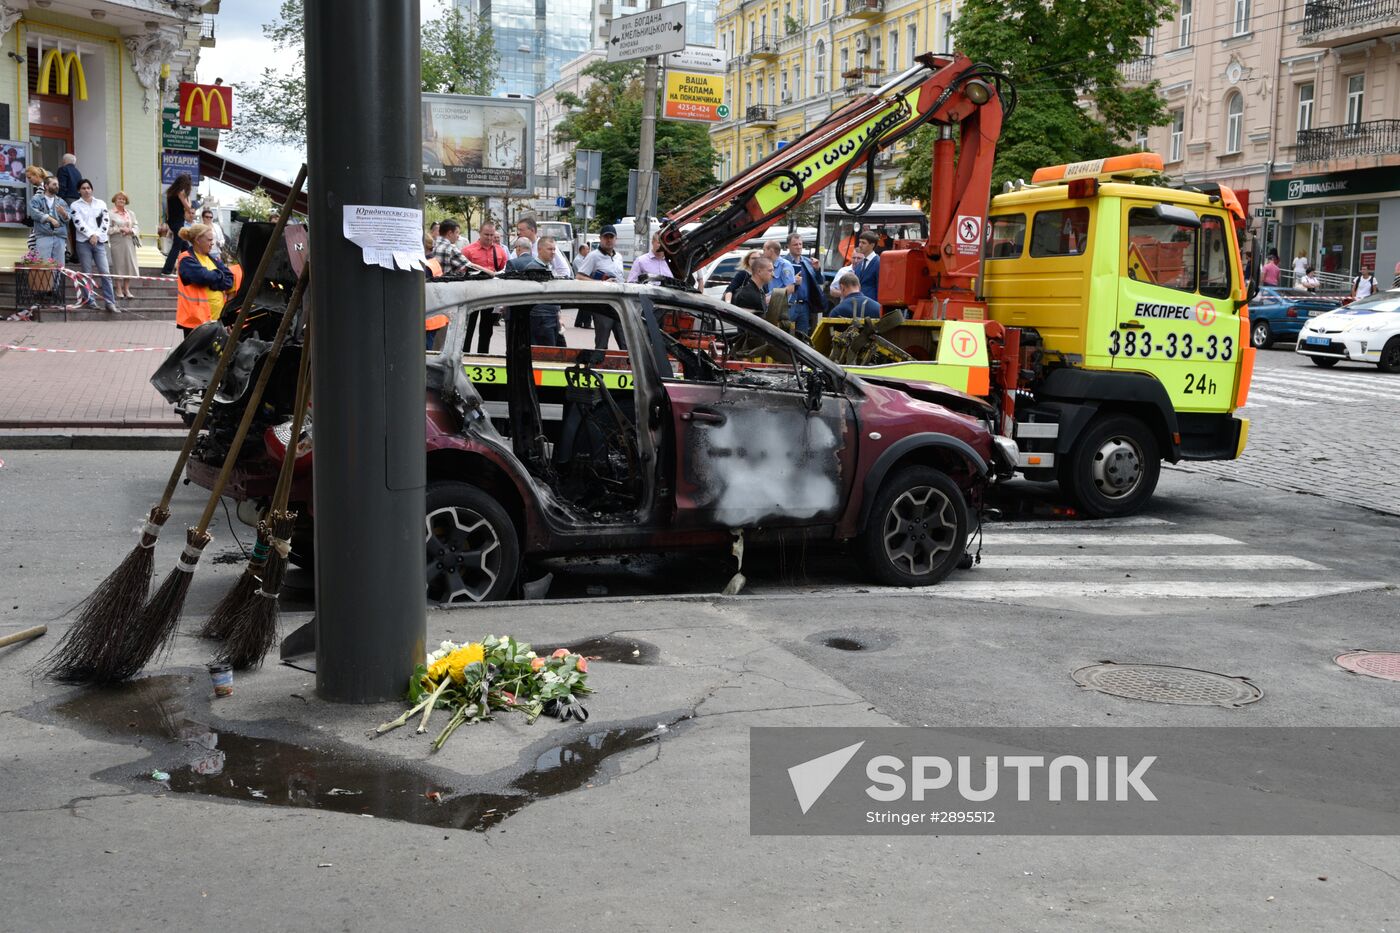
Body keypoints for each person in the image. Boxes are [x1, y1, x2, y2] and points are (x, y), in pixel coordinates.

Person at [176, 223, 236, 336]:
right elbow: (203, 277)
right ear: (198, 240)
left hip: (217, 320)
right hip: (196, 322)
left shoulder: (213, 258)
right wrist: (217, 277)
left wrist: (213, 283)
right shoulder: (186, 259)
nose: (212, 243)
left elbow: (229, 279)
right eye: (209, 240)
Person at [70, 179, 119, 312]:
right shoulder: (75, 205)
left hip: (99, 242)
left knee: (105, 272)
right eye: (83, 188)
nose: (86, 190)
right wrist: (90, 235)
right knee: (87, 273)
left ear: (92, 189)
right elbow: (78, 223)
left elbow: (105, 221)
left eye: (88, 188)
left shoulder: (101, 203)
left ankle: (110, 302)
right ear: (79, 190)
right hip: (83, 242)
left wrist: (96, 235)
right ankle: (90, 300)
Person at [576, 225, 626, 337]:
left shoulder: (619, 257)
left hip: (619, 305)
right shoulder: (593, 256)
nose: (608, 240)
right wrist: (601, 283)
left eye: (611, 237)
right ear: (600, 238)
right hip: (602, 306)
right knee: (602, 344)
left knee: (625, 344)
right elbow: (579, 277)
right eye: (605, 237)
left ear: (615, 239)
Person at [784, 232, 827, 336]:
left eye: (800, 244)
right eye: (795, 244)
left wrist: (817, 270)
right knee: (785, 335)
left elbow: (821, 281)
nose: (799, 247)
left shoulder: (808, 262)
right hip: (788, 306)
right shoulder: (783, 262)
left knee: (803, 337)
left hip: (804, 306)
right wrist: (793, 281)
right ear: (788, 246)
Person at [28, 172, 68, 267]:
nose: (57, 186)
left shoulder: (61, 201)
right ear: (46, 186)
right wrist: (50, 219)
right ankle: (47, 283)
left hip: (59, 236)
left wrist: (64, 214)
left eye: (57, 184)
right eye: (54, 184)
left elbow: (69, 217)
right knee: (43, 266)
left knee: (59, 267)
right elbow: (34, 213)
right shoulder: (36, 199)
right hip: (43, 235)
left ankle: (57, 283)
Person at [108, 190, 140, 301]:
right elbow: (107, 229)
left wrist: (131, 230)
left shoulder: (131, 213)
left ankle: (127, 289)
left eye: (123, 199)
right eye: (119, 198)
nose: (121, 200)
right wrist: (119, 229)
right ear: (115, 200)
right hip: (117, 241)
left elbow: (136, 227)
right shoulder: (110, 213)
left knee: (129, 265)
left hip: (129, 241)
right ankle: (118, 289)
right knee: (119, 265)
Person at [161, 173, 194, 274]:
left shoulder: (171, 192)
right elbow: (188, 208)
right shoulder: (181, 193)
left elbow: (167, 210)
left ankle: (189, 269)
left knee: (186, 248)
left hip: (172, 221)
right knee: (177, 246)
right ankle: (166, 271)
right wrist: (188, 198)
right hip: (178, 222)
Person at [851, 230, 881, 302]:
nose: (860, 245)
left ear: (872, 245)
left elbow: (880, 288)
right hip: (858, 305)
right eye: (860, 242)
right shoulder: (860, 263)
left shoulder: (878, 263)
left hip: (871, 306)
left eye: (863, 243)